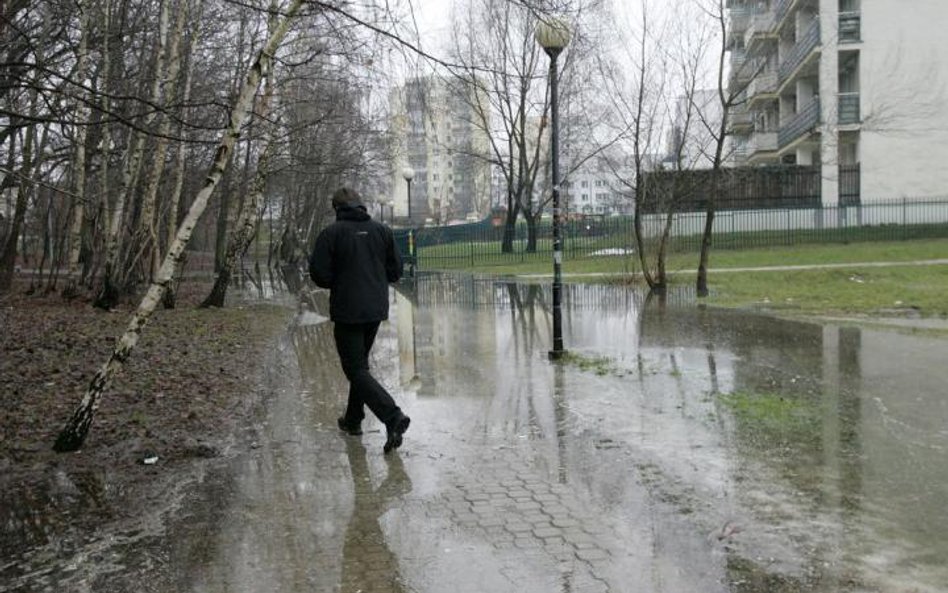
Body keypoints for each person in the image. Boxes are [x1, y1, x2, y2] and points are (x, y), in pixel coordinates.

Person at [309, 187, 410, 453]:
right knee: (360, 367)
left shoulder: (331, 234)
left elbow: (319, 274)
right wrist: (375, 279)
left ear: (337, 209)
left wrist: (341, 282)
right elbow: (396, 270)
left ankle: (393, 416)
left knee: (355, 369)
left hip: (347, 310)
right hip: (375, 309)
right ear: (361, 205)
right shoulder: (382, 231)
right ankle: (353, 420)